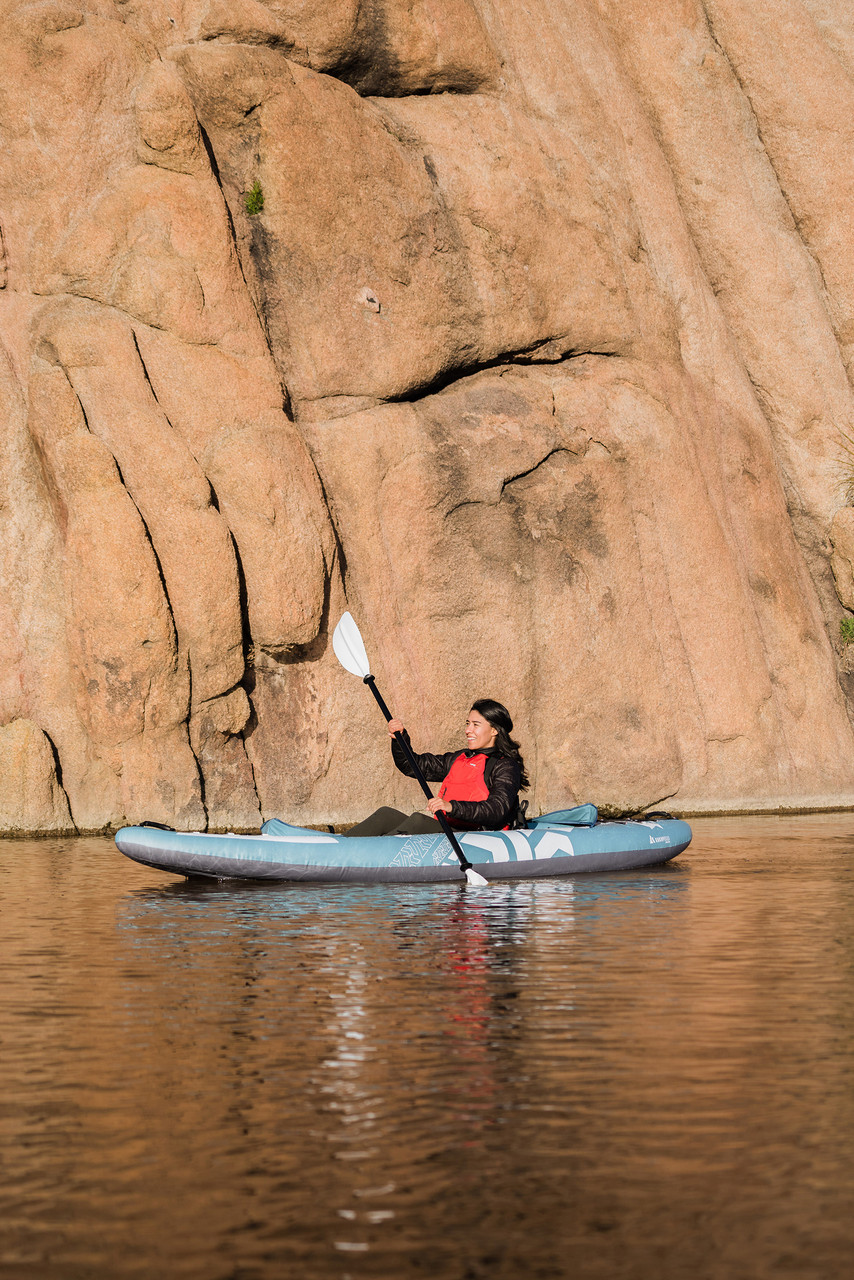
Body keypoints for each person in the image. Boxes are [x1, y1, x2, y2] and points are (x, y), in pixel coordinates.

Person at [343, 699, 529, 837]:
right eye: (467, 724)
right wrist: (400, 740)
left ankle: (369, 854)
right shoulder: (459, 758)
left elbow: (497, 810)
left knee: (418, 820)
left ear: (495, 730)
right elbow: (413, 766)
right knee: (385, 814)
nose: (467, 730)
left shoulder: (505, 765)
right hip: (448, 829)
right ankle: (341, 845)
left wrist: (451, 806)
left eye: (475, 725)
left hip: (478, 835)